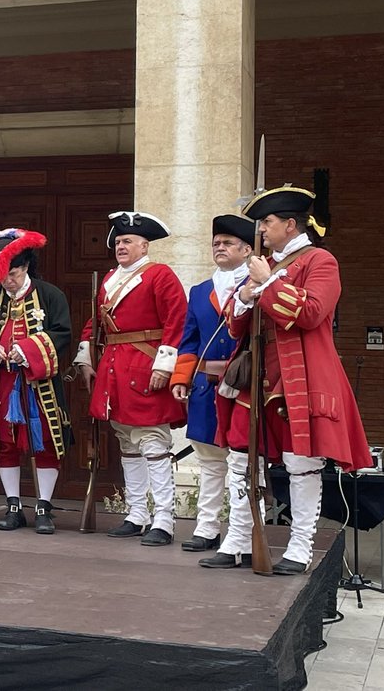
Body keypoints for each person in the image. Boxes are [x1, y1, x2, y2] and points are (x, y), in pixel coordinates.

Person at [200, 186, 372, 574]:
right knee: (242, 458)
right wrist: (245, 296)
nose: (260, 230)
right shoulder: (265, 265)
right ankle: (239, 540)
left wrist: (268, 283)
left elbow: (311, 313)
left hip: (300, 375)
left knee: (301, 462)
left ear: (289, 224)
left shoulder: (320, 260)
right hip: (257, 374)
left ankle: (300, 546)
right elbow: (236, 326)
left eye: (267, 222)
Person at [73, 211, 186, 547]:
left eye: (128, 241)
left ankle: (163, 518)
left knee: (153, 442)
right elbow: (95, 325)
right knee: (127, 442)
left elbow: (177, 321)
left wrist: (165, 365)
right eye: (118, 241)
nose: (121, 246)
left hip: (146, 364)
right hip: (114, 367)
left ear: (144, 245)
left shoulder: (160, 275)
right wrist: (86, 358)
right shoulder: (109, 279)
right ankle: (137, 513)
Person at [0, 228, 72, 534]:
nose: (7, 282)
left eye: (12, 274)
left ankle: (44, 506)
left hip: (40, 387)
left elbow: (63, 334)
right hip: (1, 385)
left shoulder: (51, 295)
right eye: (2, 276)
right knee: (5, 445)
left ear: (25, 267)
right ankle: (13, 506)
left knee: (45, 444)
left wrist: (27, 350)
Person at [168, 214, 254, 552]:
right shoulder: (200, 290)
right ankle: (206, 528)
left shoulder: (256, 285)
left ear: (247, 249)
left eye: (228, 243)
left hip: (243, 385)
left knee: (244, 465)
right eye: (216, 243)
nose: (220, 247)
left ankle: (243, 534)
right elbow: (189, 339)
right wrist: (181, 377)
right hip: (205, 386)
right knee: (209, 462)